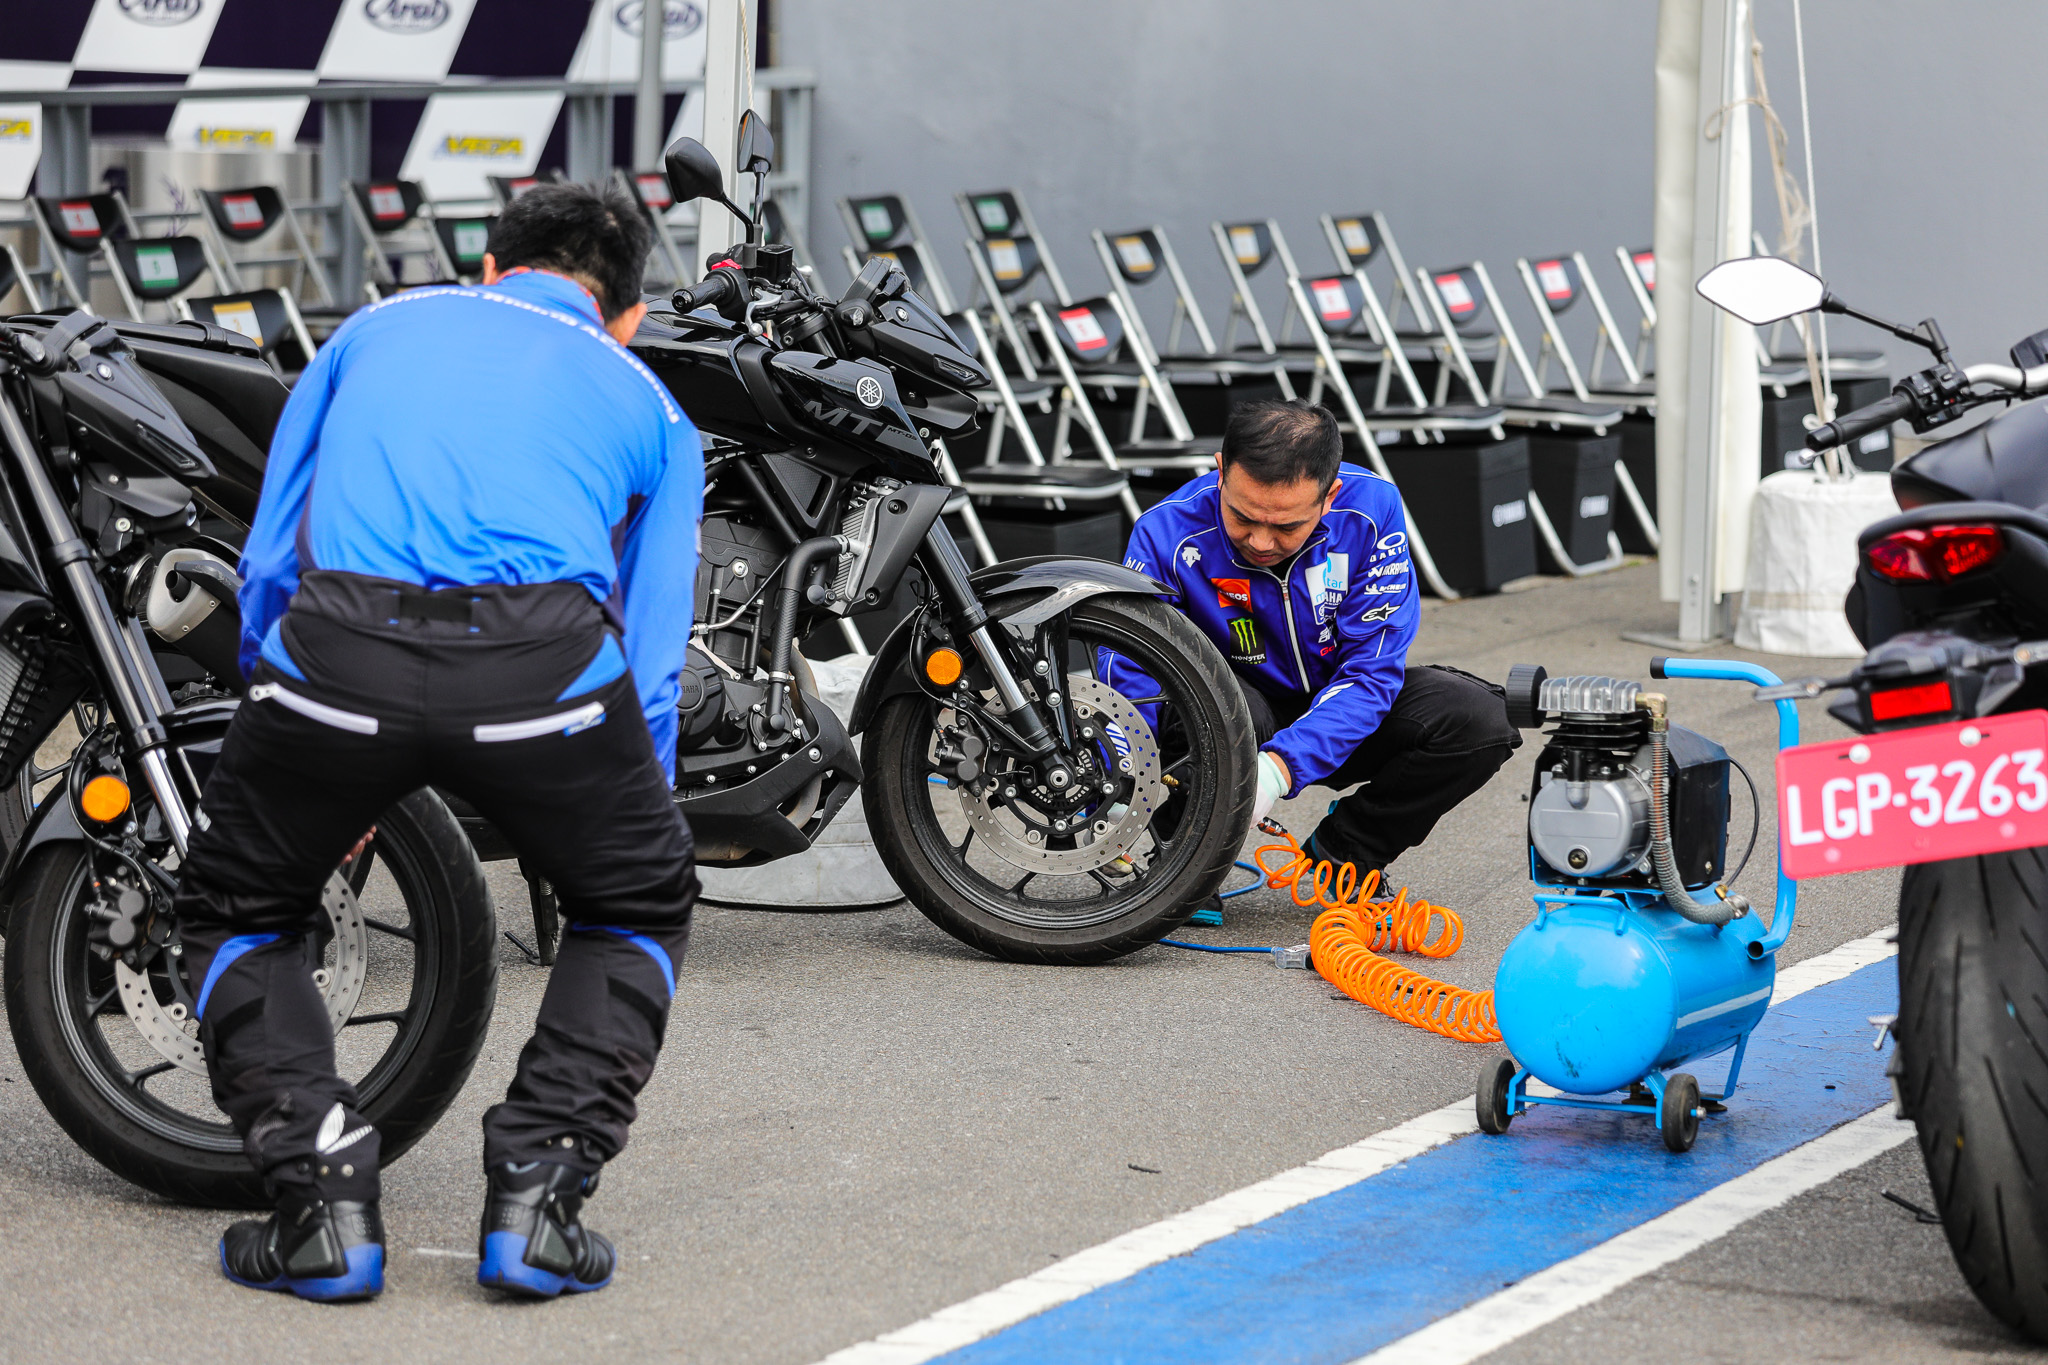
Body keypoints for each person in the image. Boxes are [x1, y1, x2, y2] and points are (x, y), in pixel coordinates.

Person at [175, 181, 702, 1302]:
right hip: (545, 670)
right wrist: (629, 814)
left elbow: (271, 558)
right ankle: (538, 1209)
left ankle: (319, 1211)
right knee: (636, 905)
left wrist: (294, 716)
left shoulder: (374, 328)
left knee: (233, 911)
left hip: (338, 649)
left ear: (489, 270)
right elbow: (653, 657)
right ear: (629, 313)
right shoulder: (652, 403)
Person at [1113, 400, 1517, 910]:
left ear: (1330, 496)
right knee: (1205, 697)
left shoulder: (1372, 511)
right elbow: (1132, 679)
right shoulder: (1164, 532)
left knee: (1480, 720)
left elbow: (1372, 672)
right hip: (1235, 708)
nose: (1260, 541)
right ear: (1220, 471)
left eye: (1286, 526)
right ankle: (1186, 861)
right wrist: (1124, 790)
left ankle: (1346, 857)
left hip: (1344, 702)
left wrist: (1279, 767)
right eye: (1241, 516)